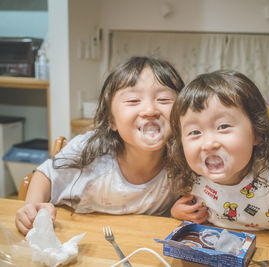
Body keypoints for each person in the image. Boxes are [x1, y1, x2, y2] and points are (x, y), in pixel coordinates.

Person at [15, 56, 185, 235]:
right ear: (112, 120)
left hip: (137, 243)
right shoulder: (91, 149)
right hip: (73, 236)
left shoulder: (183, 163)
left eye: (164, 99)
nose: (150, 110)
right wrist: (32, 208)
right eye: (133, 100)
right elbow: (45, 174)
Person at [167, 70, 269, 232]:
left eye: (223, 126)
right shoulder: (191, 176)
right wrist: (177, 212)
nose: (209, 144)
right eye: (195, 132)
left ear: (257, 133)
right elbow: (189, 213)